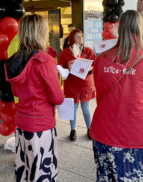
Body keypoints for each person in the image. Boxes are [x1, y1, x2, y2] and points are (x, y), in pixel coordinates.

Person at [89, 10, 143, 181]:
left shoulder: (101, 59)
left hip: (104, 130)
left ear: (120, 28)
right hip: (137, 133)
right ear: (141, 28)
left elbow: (101, 94)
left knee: (109, 176)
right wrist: (138, 107)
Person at [4, 14, 64, 181]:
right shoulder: (44, 61)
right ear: (40, 32)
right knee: (41, 172)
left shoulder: (15, 59)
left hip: (22, 122)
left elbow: (17, 92)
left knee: (24, 169)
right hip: (41, 124)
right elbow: (57, 97)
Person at [59, 29, 96, 141]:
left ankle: (90, 129)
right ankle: (73, 130)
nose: (81, 39)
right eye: (78, 37)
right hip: (72, 85)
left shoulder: (88, 51)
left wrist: (88, 68)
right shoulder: (65, 53)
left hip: (85, 84)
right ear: (71, 39)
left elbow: (95, 64)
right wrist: (68, 69)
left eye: (81, 37)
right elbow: (60, 67)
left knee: (86, 109)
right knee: (73, 109)